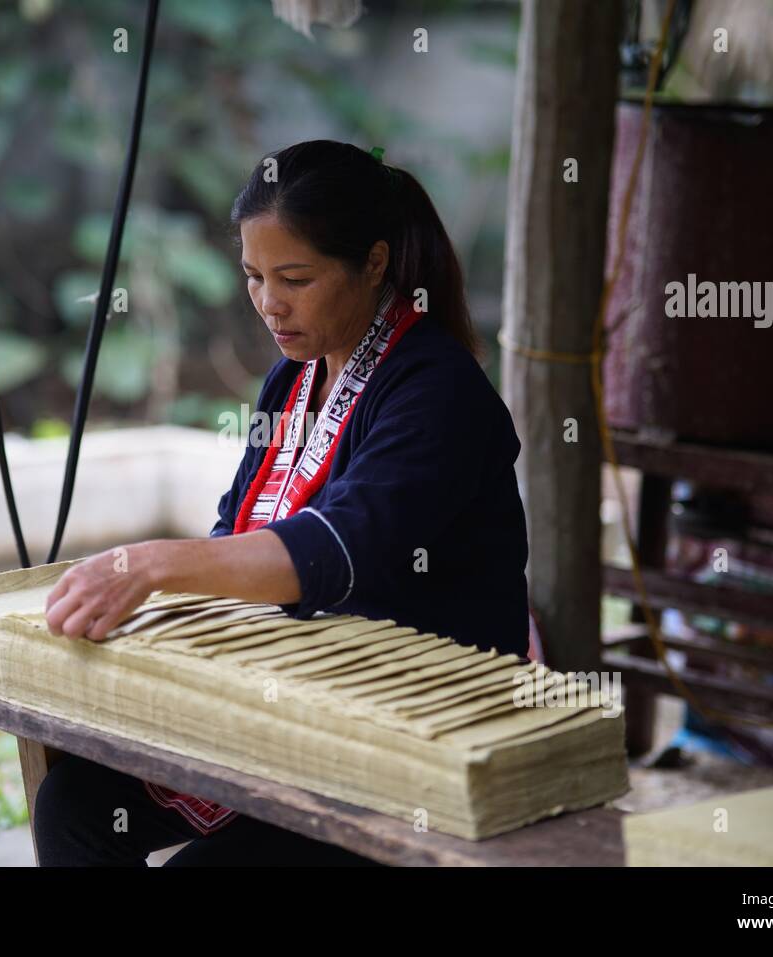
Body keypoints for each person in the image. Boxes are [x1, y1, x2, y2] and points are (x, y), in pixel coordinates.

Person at [33, 139, 529, 867]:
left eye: (295, 277)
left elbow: (339, 549)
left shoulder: (437, 391)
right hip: (298, 709)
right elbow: (235, 525)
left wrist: (148, 563)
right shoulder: (292, 380)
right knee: (72, 805)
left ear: (375, 263)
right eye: (254, 276)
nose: (270, 303)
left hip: (411, 735)